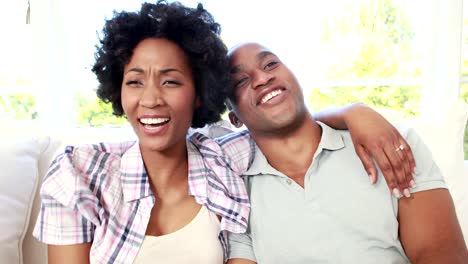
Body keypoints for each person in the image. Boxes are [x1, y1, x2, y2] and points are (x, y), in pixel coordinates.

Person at [33, 2, 416, 263]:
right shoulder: (79, 173)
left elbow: (283, 122)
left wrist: (356, 112)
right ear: (118, 90)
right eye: (135, 82)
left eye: (170, 82)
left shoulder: (225, 157)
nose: (150, 100)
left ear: (199, 93)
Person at [197, 42, 467, 263]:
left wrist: (355, 110)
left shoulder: (388, 142)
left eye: (270, 64)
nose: (263, 78)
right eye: (242, 81)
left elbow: (440, 253)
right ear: (234, 118)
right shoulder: (235, 188)